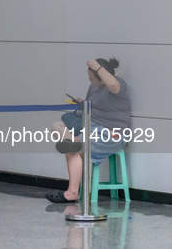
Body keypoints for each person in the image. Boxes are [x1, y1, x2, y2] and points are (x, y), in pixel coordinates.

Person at [46, 58, 131, 203]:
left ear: (101, 75)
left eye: (91, 77)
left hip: (110, 134)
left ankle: (72, 192)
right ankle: (75, 142)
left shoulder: (118, 84)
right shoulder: (93, 87)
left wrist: (97, 68)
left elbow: (112, 84)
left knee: (71, 150)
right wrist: (81, 104)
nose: (88, 79)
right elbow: (89, 109)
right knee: (56, 126)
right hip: (91, 127)